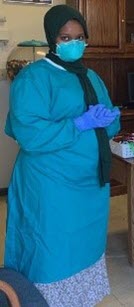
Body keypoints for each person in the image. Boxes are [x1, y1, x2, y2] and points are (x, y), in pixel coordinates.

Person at [4, 5, 120, 306]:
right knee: (51, 251)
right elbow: (29, 133)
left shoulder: (91, 76)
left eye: (80, 37)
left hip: (89, 187)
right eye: (66, 37)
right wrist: (78, 124)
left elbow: (109, 126)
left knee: (84, 248)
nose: (74, 43)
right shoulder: (34, 77)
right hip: (51, 186)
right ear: (52, 39)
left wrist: (109, 119)